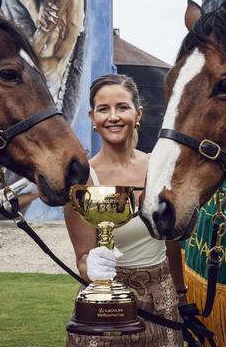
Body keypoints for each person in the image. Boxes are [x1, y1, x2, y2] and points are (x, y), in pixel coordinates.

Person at [64, 74, 186, 347]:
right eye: (103, 109)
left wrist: (181, 297)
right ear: (92, 118)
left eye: (122, 107)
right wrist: (90, 268)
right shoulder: (82, 178)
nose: (113, 116)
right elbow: (83, 256)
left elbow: (172, 244)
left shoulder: (160, 168)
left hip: (162, 305)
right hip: (104, 310)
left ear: (138, 113)